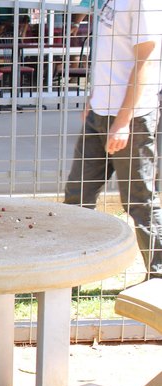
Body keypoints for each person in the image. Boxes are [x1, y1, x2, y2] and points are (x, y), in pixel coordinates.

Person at [64, 0, 162, 280]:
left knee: (140, 203)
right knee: (77, 196)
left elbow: (147, 59)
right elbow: (109, 56)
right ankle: (69, 276)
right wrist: (94, 100)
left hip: (131, 119)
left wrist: (122, 121)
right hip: (100, 112)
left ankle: (159, 280)